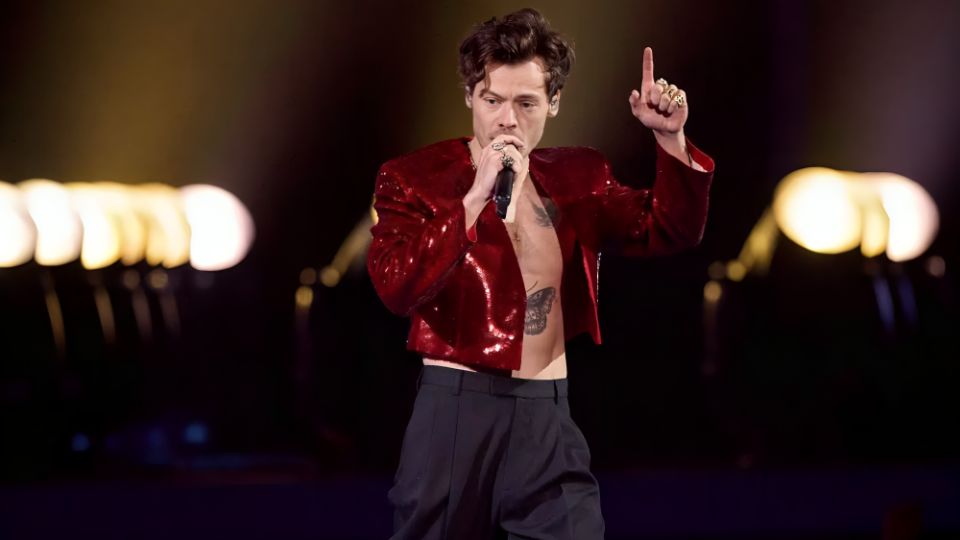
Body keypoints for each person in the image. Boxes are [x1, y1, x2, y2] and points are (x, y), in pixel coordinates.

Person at [367, 8, 714, 540]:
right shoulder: (414, 179)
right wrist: (473, 199)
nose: (507, 119)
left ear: (553, 102)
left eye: (526, 103)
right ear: (470, 97)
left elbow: (669, 229)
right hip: (457, 409)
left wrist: (672, 140)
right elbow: (396, 286)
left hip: (546, 410)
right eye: (493, 100)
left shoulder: (579, 176)